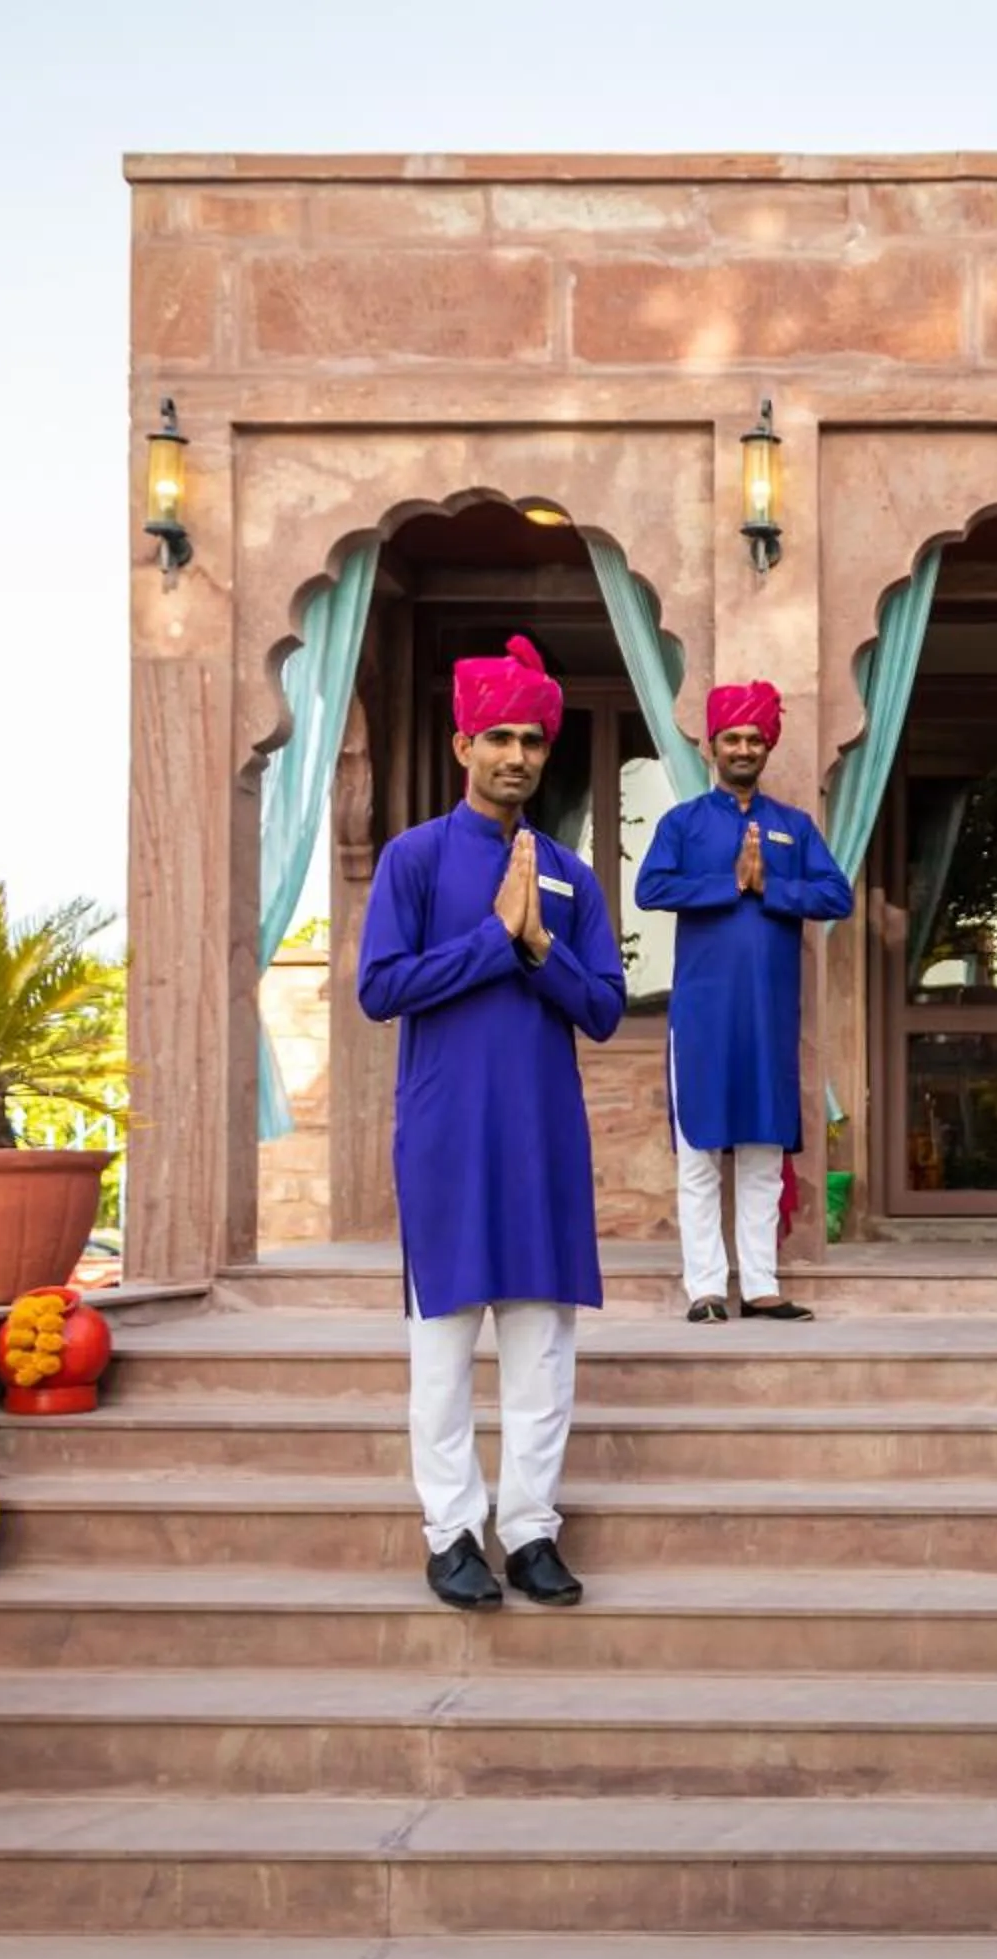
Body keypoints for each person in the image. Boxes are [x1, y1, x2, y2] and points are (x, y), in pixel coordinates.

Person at [357, 635, 622, 1612]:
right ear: (463, 743)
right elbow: (381, 987)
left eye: (533, 740)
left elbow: (603, 1006)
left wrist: (540, 946)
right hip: (446, 1134)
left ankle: (531, 1528)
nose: (518, 755)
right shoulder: (414, 859)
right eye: (499, 737)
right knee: (443, 1345)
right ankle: (452, 1532)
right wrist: (493, 939)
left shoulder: (570, 875)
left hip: (542, 1136)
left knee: (542, 1343)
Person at [634, 680, 853, 1322]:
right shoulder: (683, 823)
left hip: (768, 1017)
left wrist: (771, 888)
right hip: (701, 1019)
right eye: (732, 738)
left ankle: (760, 1286)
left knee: (762, 1151)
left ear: (767, 746)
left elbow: (836, 896)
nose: (744, 748)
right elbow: (650, 888)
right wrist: (727, 883)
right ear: (712, 747)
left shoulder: (793, 827)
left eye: (755, 738)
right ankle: (705, 1288)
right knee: (700, 1153)